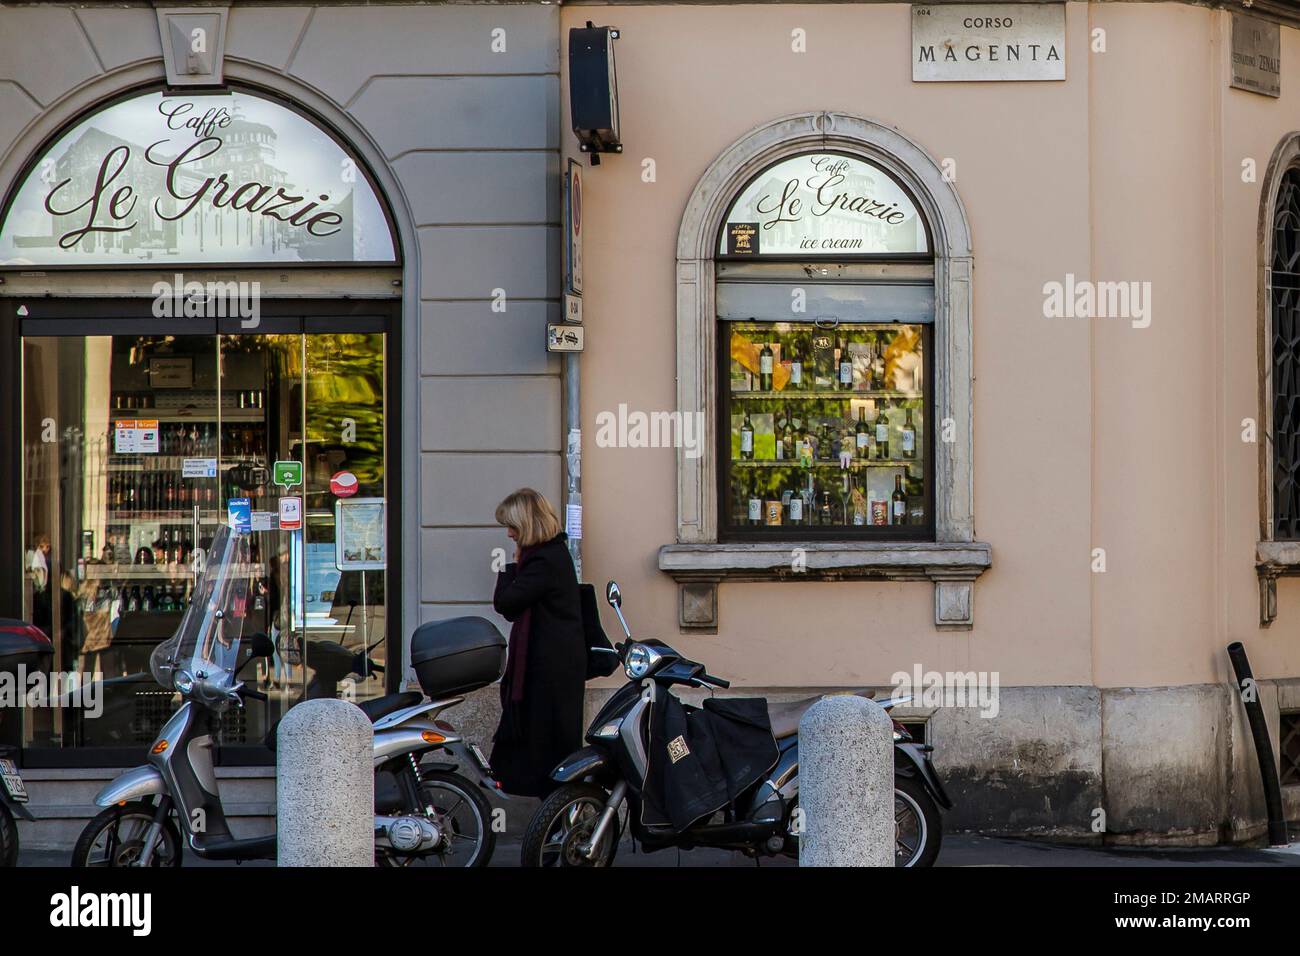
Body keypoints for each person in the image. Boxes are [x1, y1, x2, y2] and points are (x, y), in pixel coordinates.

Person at [490, 488, 585, 798]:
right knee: (547, 749)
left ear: (527, 524)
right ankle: (558, 819)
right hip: (550, 671)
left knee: (549, 751)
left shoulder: (544, 560)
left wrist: (510, 568)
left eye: (512, 526)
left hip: (549, 675)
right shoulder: (551, 556)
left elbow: (507, 603)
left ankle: (559, 820)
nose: (509, 534)